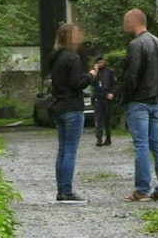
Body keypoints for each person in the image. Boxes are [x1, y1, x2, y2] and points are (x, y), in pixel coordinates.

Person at [121, 8, 158, 202]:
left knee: (141, 144)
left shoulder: (136, 45)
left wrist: (124, 97)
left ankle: (142, 189)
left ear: (133, 22)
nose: (124, 25)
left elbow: (131, 76)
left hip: (139, 100)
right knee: (156, 143)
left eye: (126, 21)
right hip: (156, 99)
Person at [47, 23, 97, 203]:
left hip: (58, 106)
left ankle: (61, 189)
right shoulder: (73, 58)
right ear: (71, 38)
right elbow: (77, 83)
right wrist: (91, 76)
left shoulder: (55, 57)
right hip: (72, 107)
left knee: (62, 150)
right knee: (70, 150)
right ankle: (67, 190)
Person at [90, 55, 117, 146]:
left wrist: (112, 93)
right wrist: (95, 74)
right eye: (99, 63)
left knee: (107, 119)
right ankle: (99, 138)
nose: (101, 64)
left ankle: (108, 137)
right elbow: (93, 84)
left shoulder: (110, 71)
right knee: (98, 119)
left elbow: (114, 84)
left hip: (107, 98)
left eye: (102, 62)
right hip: (98, 98)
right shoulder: (95, 73)